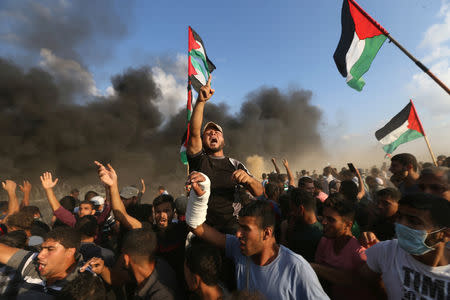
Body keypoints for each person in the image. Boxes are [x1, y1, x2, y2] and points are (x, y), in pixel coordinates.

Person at [186, 171, 329, 300]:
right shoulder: (239, 249)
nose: (238, 233)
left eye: (245, 229)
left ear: (267, 233)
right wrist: (201, 192)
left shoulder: (296, 268)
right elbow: (196, 226)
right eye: (239, 226)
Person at [186, 76, 263, 234]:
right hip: (204, 231)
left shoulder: (235, 164)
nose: (213, 132)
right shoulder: (200, 160)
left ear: (223, 141)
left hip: (232, 230)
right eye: (208, 132)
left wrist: (248, 180)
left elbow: (259, 192)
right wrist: (201, 102)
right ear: (202, 140)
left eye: (217, 132)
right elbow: (194, 133)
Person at [361, 193, 450, 299]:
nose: (401, 224)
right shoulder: (386, 251)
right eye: (399, 217)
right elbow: (367, 281)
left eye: (413, 221)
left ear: (444, 234)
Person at [82, 228, 180, 300]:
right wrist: (102, 269)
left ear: (126, 259)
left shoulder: (161, 296)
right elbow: (117, 278)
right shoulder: (152, 266)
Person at [312, 193, 372, 300]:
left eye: (331, 219)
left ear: (348, 225)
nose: (324, 222)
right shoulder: (325, 241)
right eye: (324, 217)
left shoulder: (359, 253)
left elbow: (357, 281)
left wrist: (312, 266)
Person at [0, 226, 84, 299]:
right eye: (42, 249)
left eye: (50, 249)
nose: (40, 255)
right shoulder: (32, 261)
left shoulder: (87, 280)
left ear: (69, 252)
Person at [281, 188, 322, 262]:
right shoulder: (321, 229)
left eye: (292, 210)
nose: (291, 213)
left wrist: (284, 232)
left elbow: (285, 257)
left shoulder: (305, 235)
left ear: (300, 209)